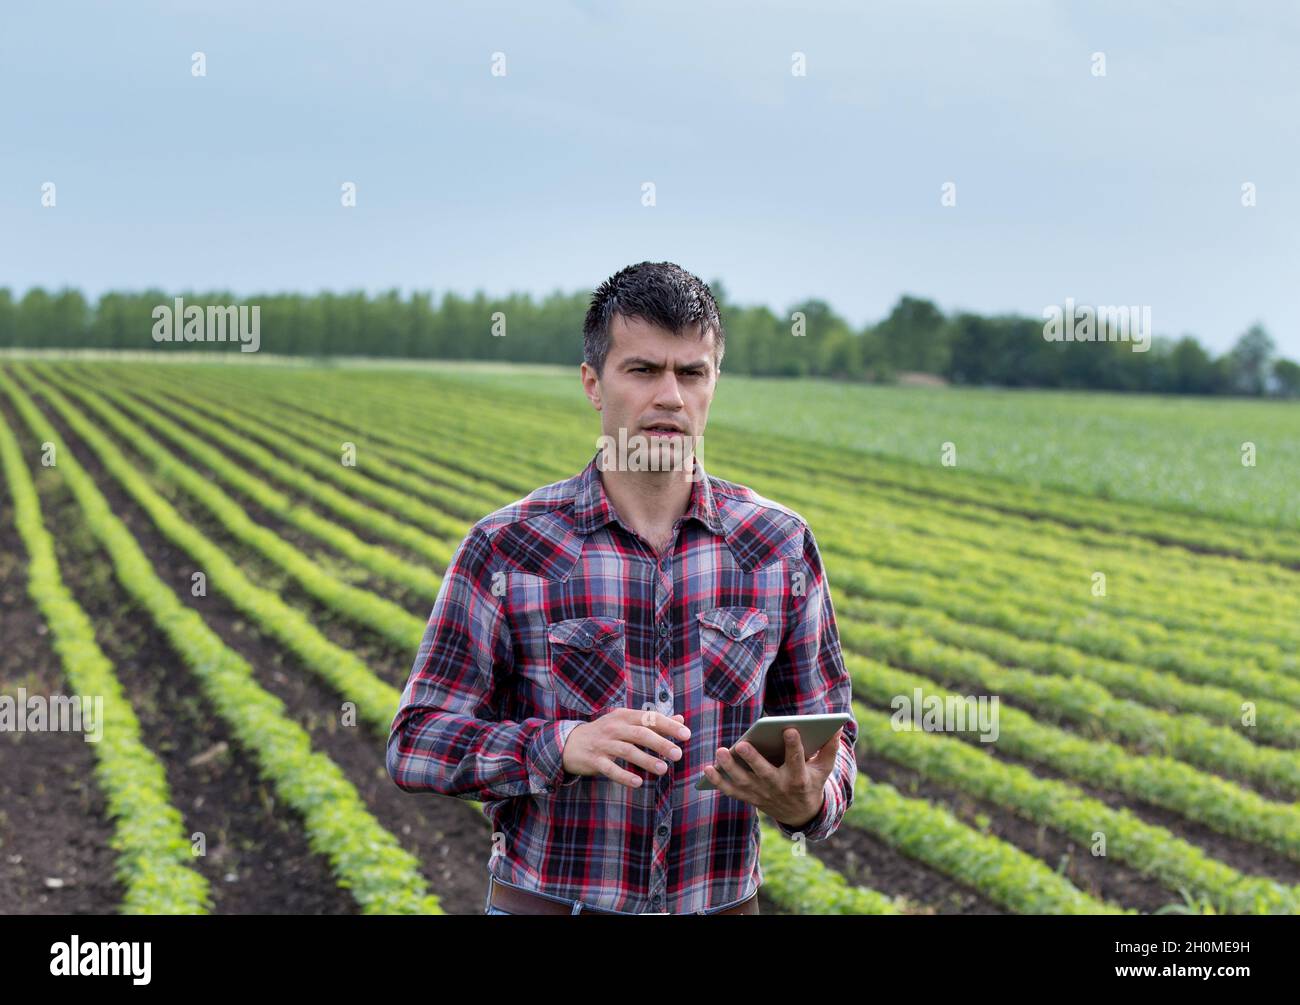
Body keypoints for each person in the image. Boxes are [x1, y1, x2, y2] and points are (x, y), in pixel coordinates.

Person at [387, 261, 858, 915]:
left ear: (713, 382)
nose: (670, 395)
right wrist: (560, 744)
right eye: (642, 370)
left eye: (691, 372)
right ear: (592, 383)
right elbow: (415, 742)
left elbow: (833, 740)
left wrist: (810, 800)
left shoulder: (778, 545)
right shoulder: (508, 546)